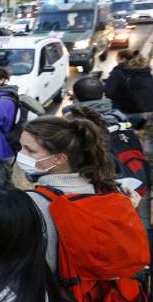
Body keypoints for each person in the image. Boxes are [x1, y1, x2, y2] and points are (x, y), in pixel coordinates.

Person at [20, 116, 130, 272]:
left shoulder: (33, 203)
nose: (21, 154)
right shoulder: (102, 186)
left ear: (59, 159)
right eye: (21, 147)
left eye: (30, 150)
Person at [103, 49, 153, 126]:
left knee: (118, 132)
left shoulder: (118, 71)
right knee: (131, 134)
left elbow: (108, 92)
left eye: (117, 57)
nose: (116, 60)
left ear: (122, 59)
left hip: (123, 112)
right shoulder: (144, 71)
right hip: (142, 115)